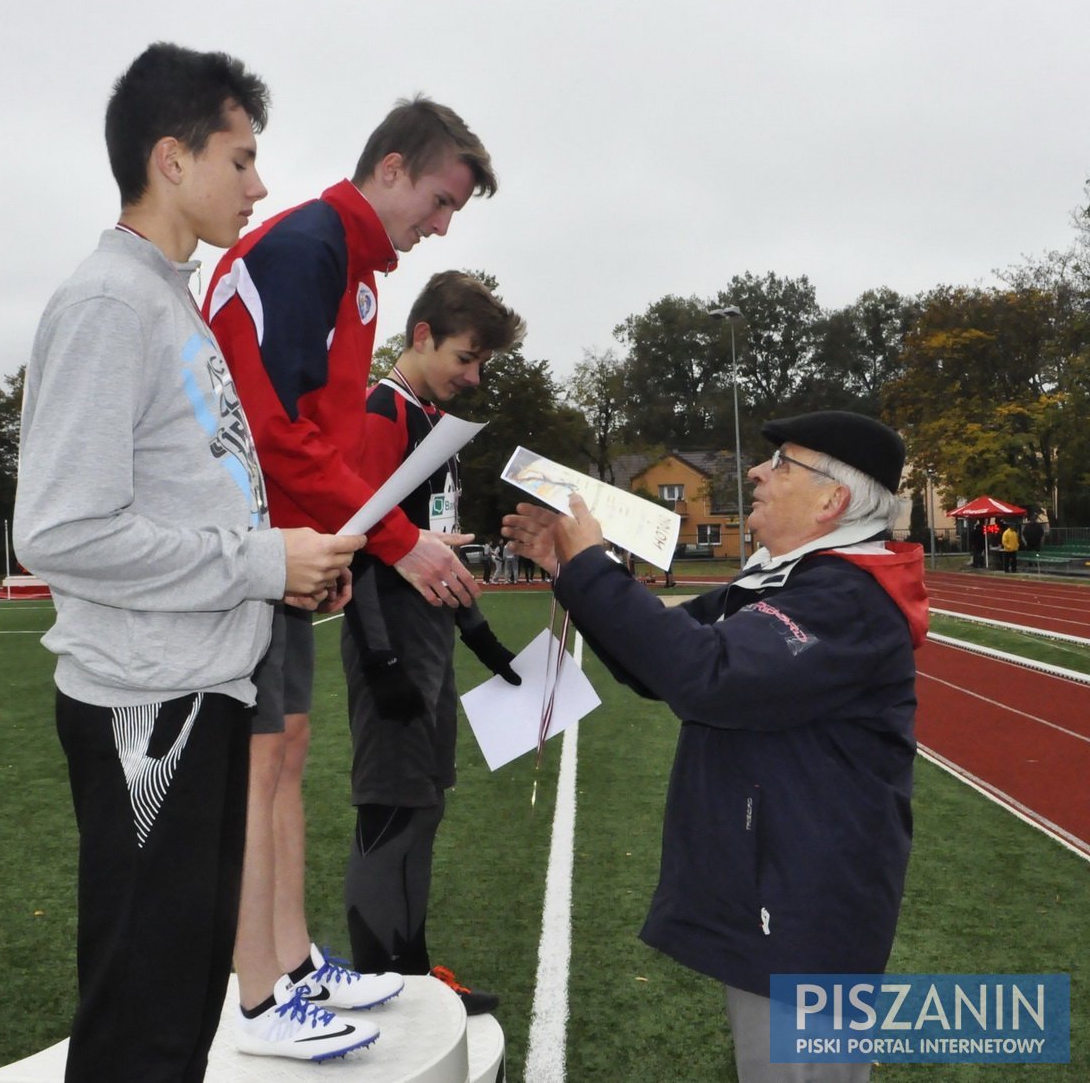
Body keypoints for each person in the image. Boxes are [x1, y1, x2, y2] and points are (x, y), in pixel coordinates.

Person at [12, 43, 369, 1081]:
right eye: (242, 157)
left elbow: (192, 493)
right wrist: (263, 561)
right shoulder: (107, 303)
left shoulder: (170, 300)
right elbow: (61, 532)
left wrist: (292, 565)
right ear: (172, 159)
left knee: (176, 1007)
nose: (259, 185)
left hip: (199, 688)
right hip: (145, 707)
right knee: (143, 1022)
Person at [504, 410, 929, 1083]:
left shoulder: (845, 596)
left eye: (783, 463)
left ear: (833, 501)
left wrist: (591, 565)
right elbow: (660, 663)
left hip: (805, 916)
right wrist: (569, 568)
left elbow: (704, 676)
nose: (757, 472)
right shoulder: (790, 580)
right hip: (779, 892)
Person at [204, 96, 496, 1058]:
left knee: (286, 752)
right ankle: (256, 999)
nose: (443, 225)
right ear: (394, 167)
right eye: (442, 199)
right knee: (257, 765)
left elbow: (309, 438)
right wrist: (390, 541)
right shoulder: (312, 245)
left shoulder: (359, 274)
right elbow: (271, 424)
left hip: (285, 545)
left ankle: (290, 961)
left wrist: (334, 542)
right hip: (241, 543)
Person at [342, 270, 526, 1012]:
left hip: (428, 643)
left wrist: (484, 643)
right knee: (389, 808)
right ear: (421, 337)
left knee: (424, 806)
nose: (474, 376)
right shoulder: (383, 412)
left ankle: (412, 974)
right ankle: (377, 982)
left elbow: (432, 549)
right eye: (465, 357)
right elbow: (354, 541)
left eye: (482, 363)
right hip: (389, 643)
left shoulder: (433, 420)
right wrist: (380, 656)